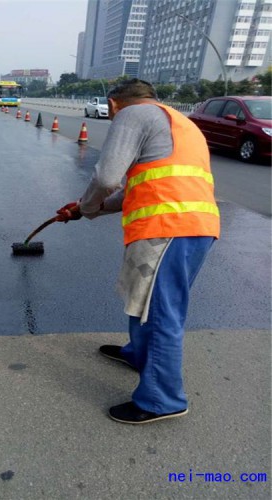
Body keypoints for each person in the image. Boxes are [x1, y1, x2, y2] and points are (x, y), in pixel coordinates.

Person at [56, 78, 220, 425]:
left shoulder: (133, 115)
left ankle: (163, 400)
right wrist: (90, 210)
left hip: (169, 228)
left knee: (161, 313)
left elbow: (106, 178)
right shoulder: (177, 121)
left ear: (113, 104)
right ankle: (139, 354)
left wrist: (86, 207)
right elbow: (128, 191)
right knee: (146, 301)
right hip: (193, 228)